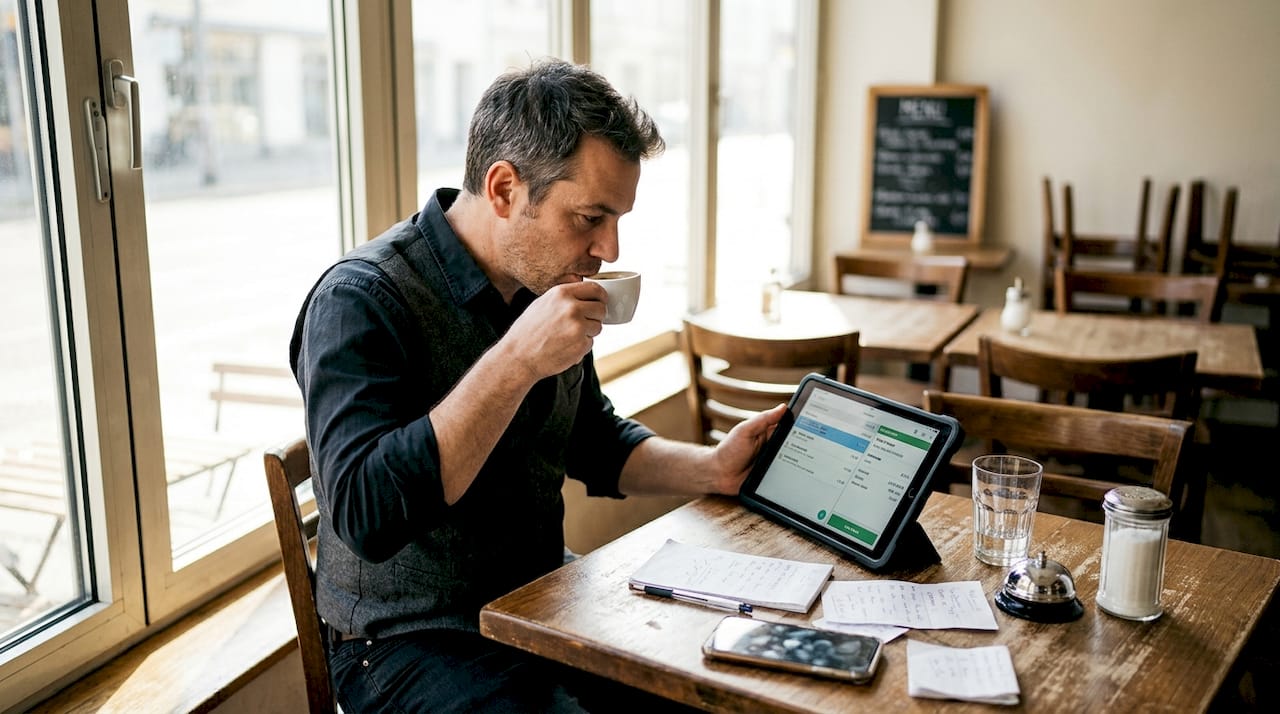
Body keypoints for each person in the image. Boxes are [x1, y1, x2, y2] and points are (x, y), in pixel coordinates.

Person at [289, 57, 786, 712]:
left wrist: (715, 468)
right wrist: (516, 359)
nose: (609, 248)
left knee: (713, 682)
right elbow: (366, 515)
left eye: (618, 220)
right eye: (590, 217)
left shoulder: (540, 285)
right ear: (503, 189)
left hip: (536, 603)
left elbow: (592, 441)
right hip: (406, 640)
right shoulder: (360, 299)